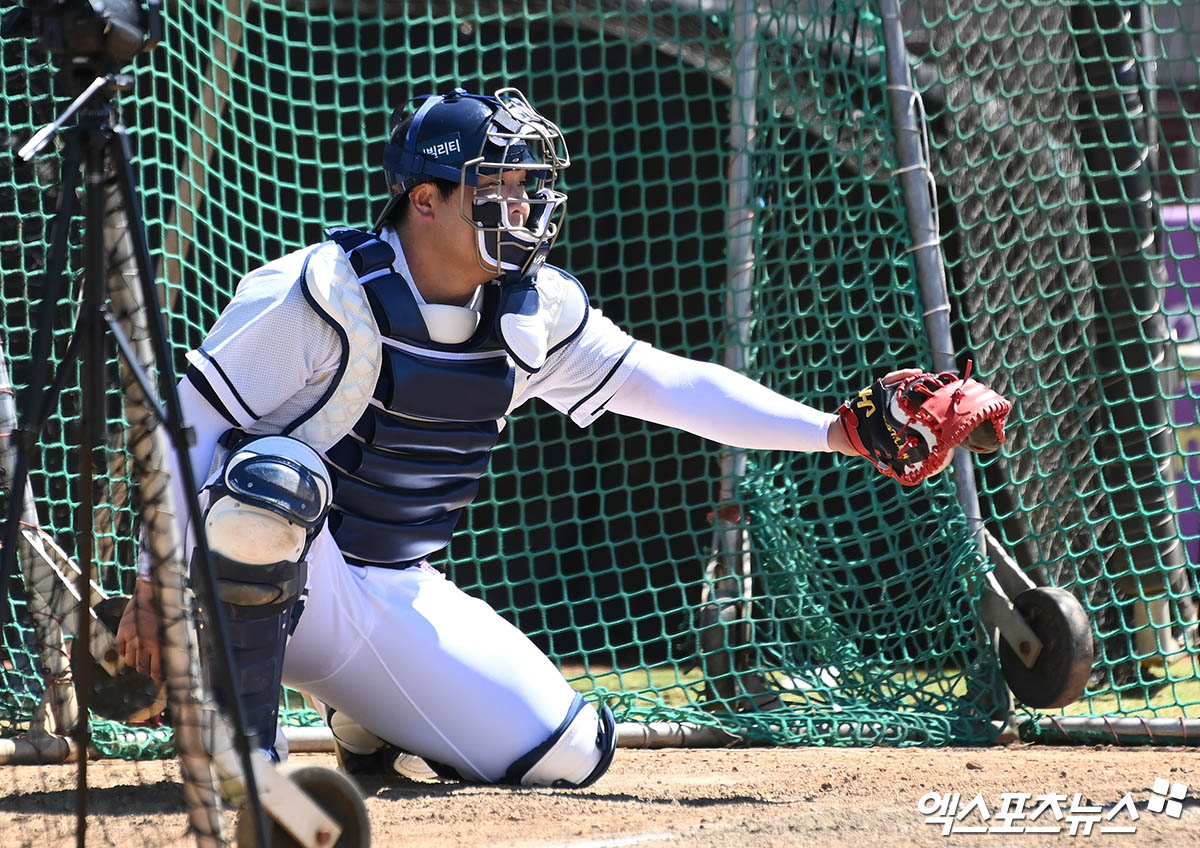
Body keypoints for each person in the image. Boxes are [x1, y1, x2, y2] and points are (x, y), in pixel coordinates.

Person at [115, 87, 887, 787]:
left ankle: (365, 717)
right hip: (247, 578)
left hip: (389, 584)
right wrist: (154, 586)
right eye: (498, 186)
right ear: (425, 198)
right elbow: (184, 427)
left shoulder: (533, 308)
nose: (524, 205)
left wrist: (835, 431)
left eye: (527, 186)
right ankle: (239, 749)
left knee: (571, 753)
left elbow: (667, 384)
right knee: (274, 476)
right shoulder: (319, 292)